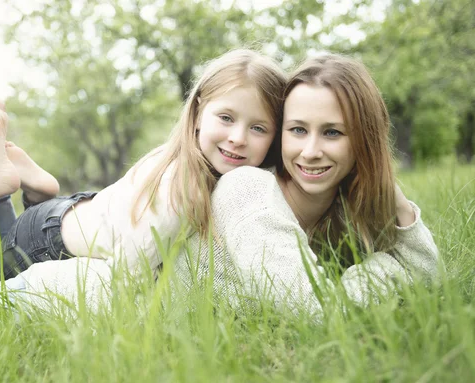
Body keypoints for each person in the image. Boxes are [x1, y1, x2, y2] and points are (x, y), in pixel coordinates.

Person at [0, 49, 287, 332]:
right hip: (50, 243)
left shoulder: (196, 164)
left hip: (72, 216)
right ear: (197, 113)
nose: (237, 137)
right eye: (227, 118)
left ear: (274, 137)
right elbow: (131, 267)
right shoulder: (182, 184)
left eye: (257, 128)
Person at [174, 54, 439, 317]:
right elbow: (317, 312)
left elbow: (430, 275)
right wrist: (390, 267)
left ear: (365, 141)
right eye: (298, 130)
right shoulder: (246, 190)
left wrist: (396, 202)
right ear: (281, 134)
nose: (311, 152)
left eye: (332, 132)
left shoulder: (343, 211)